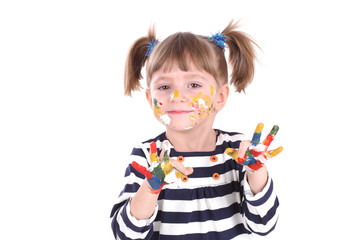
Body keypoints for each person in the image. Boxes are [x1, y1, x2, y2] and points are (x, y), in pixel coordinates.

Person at [110, 20, 282, 239]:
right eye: (164, 87)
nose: (177, 96)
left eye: (193, 85)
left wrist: (256, 172)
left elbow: (263, 225)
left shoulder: (237, 152)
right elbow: (126, 235)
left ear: (220, 97)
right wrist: (152, 185)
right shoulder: (148, 155)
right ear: (149, 97)